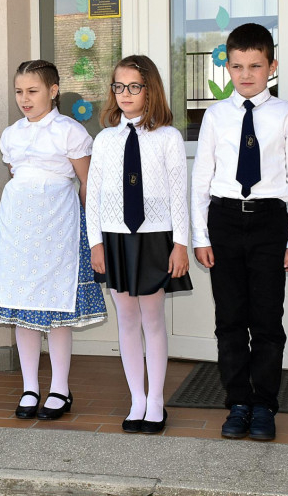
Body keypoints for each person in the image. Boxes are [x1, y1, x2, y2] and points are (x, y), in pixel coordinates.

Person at [191, 23, 288, 441]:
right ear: (227, 67)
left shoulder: (286, 114)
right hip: (224, 221)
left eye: (255, 66)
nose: (246, 74)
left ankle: (264, 405)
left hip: (269, 222)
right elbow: (201, 179)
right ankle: (238, 401)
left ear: (271, 67)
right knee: (229, 319)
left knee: (266, 318)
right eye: (238, 66)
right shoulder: (216, 115)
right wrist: (201, 236)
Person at [0, 60, 107, 420]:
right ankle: (30, 387)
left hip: (58, 226)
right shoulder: (12, 134)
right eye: (19, 91)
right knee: (23, 307)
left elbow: (87, 183)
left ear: (53, 91)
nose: (25, 98)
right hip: (18, 229)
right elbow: (17, 176)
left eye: (32, 91)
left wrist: (88, 230)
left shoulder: (70, 131)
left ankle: (60, 388)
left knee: (57, 307)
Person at [87, 55, 191, 434]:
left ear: (150, 90)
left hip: (155, 238)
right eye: (119, 86)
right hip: (115, 238)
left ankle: (157, 401)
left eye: (134, 86)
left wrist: (180, 244)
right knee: (127, 319)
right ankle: (137, 400)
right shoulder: (105, 140)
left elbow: (179, 195)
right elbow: (93, 196)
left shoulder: (167, 137)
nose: (125, 93)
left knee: (152, 318)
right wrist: (95, 243)